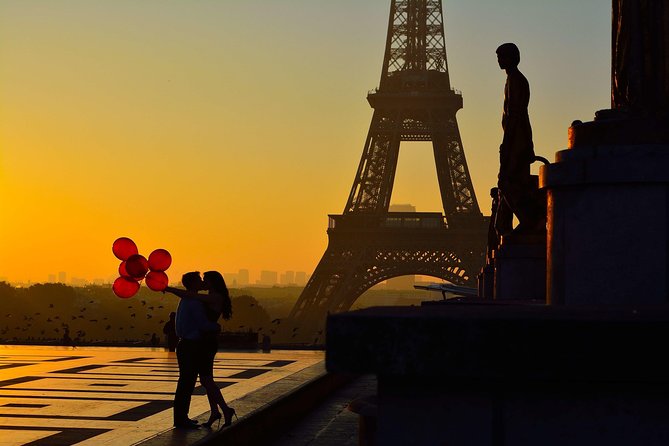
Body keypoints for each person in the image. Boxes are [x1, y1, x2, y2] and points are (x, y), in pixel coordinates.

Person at [164, 271, 237, 429]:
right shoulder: (197, 299)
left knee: (201, 380)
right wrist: (215, 327)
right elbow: (203, 320)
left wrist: (170, 289)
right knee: (203, 380)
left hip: (203, 343)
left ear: (212, 282)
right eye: (201, 280)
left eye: (205, 280)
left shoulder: (205, 298)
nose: (204, 282)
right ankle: (218, 411)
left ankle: (219, 411)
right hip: (201, 342)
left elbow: (191, 297)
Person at [495, 42, 540, 235]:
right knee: (511, 181)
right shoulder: (514, 79)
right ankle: (507, 225)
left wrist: (507, 143)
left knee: (507, 181)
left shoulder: (516, 80)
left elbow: (515, 113)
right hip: (518, 137)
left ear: (511, 58)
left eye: (501, 57)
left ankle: (528, 219)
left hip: (516, 138)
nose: (499, 60)